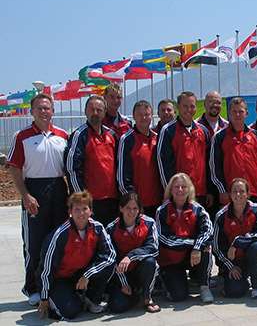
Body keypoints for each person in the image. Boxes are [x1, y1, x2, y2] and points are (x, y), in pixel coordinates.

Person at [7, 94, 69, 306]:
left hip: (59, 190)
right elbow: (14, 168)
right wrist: (25, 195)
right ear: (31, 111)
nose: (44, 112)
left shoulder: (62, 135)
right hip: (34, 189)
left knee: (58, 241)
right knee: (34, 244)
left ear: (53, 111)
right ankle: (32, 288)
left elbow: (67, 169)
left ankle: (55, 285)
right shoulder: (21, 136)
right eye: (40, 108)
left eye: (47, 108)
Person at [36, 192, 116, 320]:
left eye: (85, 209)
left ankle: (91, 298)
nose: (81, 213)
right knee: (71, 312)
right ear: (70, 212)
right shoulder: (61, 234)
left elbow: (110, 255)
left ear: (91, 211)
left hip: (80, 274)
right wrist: (44, 297)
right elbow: (46, 268)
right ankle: (61, 298)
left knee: (109, 264)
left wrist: (87, 275)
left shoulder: (98, 228)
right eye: (77, 209)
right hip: (59, 278)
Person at [155, 173, 214, 303]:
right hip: (171, 259)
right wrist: (193, 244)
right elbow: (164, 239)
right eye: (176, 187)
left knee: (206, 248)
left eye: (183, 186)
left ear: (189, 189)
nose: (180, 190)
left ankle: (204, 286)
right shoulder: (162, 210)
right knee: (179, 296)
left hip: (191, 256)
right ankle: (167, 281)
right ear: (171, 190)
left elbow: (208, 231)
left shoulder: (198, 209)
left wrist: (198, 247)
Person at [65, 95, 119, 225]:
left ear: (105, 112)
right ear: (85, 111)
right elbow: (72, 168)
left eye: (99, 110)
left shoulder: (112, 135)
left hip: (113, 200)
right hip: (91, 201)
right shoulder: (79, 135)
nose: (95, 113)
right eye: (92, 109)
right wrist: (82, 198)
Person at [212, 178, 257, 299]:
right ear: (230, 194)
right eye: (234, 191)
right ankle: (243, 279)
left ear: (248, 194)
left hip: (254, 255)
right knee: (234, 292)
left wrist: (238, 242)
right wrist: (230, 266)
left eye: (242, 191)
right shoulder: (221, 215)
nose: (238, 194)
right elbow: (217, 247)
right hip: (233, 261)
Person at [157, 91, 214, 210]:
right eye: (185, 106)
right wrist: (170, 191)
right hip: (179, 194)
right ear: (178, 107)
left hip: (201, 193)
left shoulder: (204, 131)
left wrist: (210, 190)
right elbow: (163, 164)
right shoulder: (168, 131)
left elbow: (210, 164)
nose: (189, 109)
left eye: (192, 106)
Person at [106, 193, 160, 313]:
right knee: (116, 307)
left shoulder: (149, 223)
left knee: (151, 262)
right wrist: (123, 283)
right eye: (128, 208)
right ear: (121, 208)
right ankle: (135, 295)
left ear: (139, 209)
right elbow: (111, 258)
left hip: (142, 269)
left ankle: (147, 297)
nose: (131, 212)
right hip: (122, 274)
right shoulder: (111, 228)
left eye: (135, 208)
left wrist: (130, 256)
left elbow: (153, 248)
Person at [210, 97, 257, 206]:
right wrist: (222, 190)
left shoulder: (255, 135)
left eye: (241, 111)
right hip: (231, 194)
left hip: (253, 193)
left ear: (246, 113)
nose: (238, 115)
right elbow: (215, 167)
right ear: (229, 113)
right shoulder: (219, 137)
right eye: (234, 111)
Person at [117, 100, 163, 218]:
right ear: (134, 117)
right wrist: (131, 201)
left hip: (157, 202)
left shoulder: (157, 139)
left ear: (151, 116)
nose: (144, 118)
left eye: (147, 114)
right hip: (136, 205)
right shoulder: (127, 139)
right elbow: (122, 175)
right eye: (140, 114)